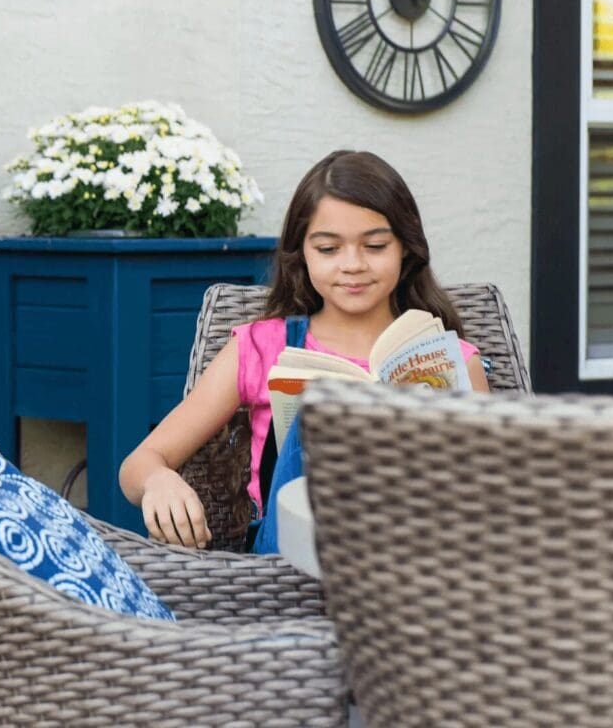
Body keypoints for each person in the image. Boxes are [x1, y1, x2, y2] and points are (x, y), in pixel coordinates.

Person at [117, 150, 490, 551]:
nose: (352, 264)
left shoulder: (455, 360)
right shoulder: (261, 348)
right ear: (303, 255)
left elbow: (492, 482)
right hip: (291, 568)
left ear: (405, 249)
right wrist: (158, 480)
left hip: (418, 559)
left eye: (375, 246)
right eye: (329, 249)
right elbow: (139, 463)